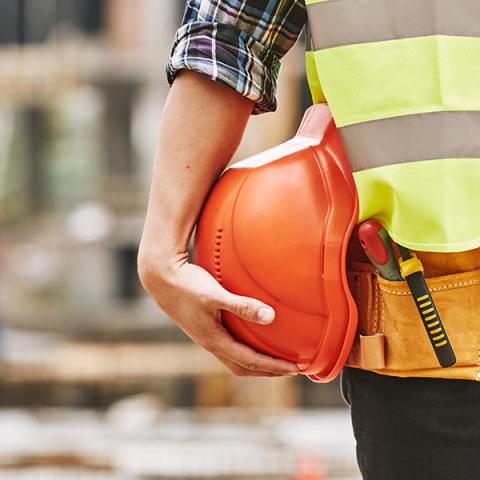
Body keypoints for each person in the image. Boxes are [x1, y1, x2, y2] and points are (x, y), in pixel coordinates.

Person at [138, 2, 480, 479]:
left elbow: (229, 33)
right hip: (422, 342)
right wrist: (163, 249)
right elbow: (229, 33)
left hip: (426, 347)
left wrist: (165, 245)